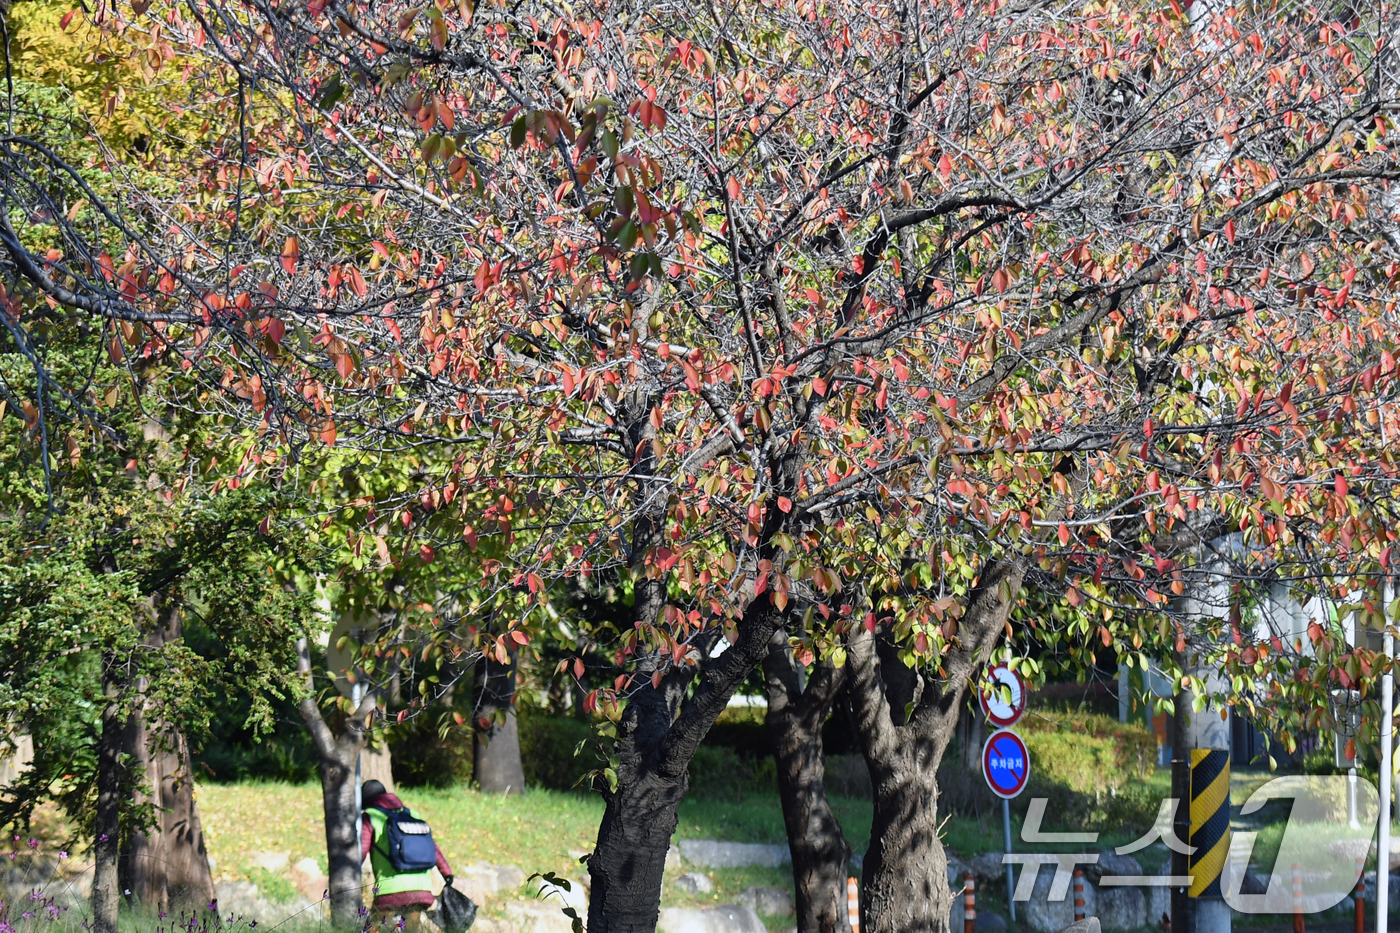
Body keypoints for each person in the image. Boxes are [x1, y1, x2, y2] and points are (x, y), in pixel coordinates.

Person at [360, 780, 454, 932]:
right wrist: (447, 873)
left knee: (371, 928)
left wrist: (348, 871)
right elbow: (433, 847)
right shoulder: (412, 814)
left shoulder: (370, 816)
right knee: (411, 930)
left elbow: (361, 851)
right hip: (421, 889)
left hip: (390, 890)